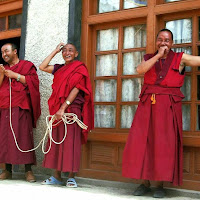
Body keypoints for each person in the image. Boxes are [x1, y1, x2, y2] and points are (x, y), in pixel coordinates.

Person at [122, 29, 200, 198]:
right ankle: (144, 183)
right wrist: (158, 56)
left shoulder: (181, 58)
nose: (163, 43)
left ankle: (160, 185)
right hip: (147, 106)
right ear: (157, 42)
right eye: (160, 39)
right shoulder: (149, 58)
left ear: (171, 43)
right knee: (143, 142)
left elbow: (198, 60)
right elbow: (140, 70)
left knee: (164, 145)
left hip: (168, 108)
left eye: (167, 40)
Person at [39, 43, 94, 187]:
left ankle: (71, 177)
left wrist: (63, 108)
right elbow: (42, 67)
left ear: (76, 54)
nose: (67, 53)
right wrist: (55, 50)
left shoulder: (80, 68)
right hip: (57, 111)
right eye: (64, 51)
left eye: (70, 50)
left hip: (71, 110)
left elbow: (76, 88)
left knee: (71, 143)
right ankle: (56, 176)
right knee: (56, 142)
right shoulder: (59, 68)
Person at [0, 43, 41, 182]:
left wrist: (15, 75)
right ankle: (7, 170)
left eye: (6, 51)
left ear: (15, 51)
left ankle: (28, 170)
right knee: (5, 140)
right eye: (2, 52)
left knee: (24, 138)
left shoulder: (26, 66)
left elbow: (33, 82)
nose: (4, 54)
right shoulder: (3, 69)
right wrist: (2, 75)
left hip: (21, 107)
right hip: (5, 107)